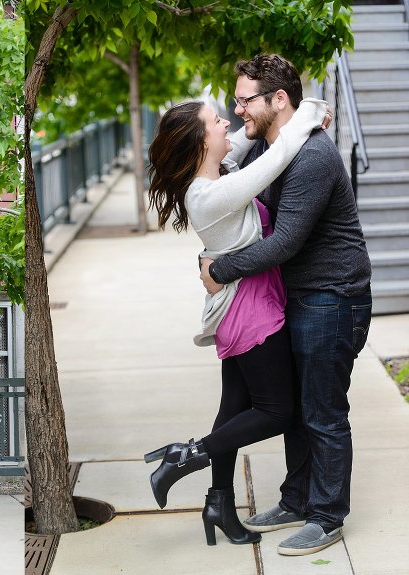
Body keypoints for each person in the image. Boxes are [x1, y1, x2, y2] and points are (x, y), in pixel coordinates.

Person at [199, 54, 372, 556]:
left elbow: (287, 240)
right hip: (297, 297)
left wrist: (221, 271)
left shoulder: (312, 156)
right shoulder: (273, 149)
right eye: (234, 102)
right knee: (295, 411)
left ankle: (326, 515)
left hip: (332, 298)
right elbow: (230, 173)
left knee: (322, 412)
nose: (237, 112)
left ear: (279, 99)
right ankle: (296, 499)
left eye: (244, 100)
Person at [144, 89, 329, 546]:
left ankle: (219, 503)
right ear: (202, 143)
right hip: (249, 310)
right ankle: (187, 455)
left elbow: (251, 137)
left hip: (240, 303)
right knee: (277, 411)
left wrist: (279, 112)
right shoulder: (211, 195)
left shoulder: (217, 175)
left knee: (232, 408)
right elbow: (279, 152)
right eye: (215, 122)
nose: (227, 121)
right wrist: (313, 110)